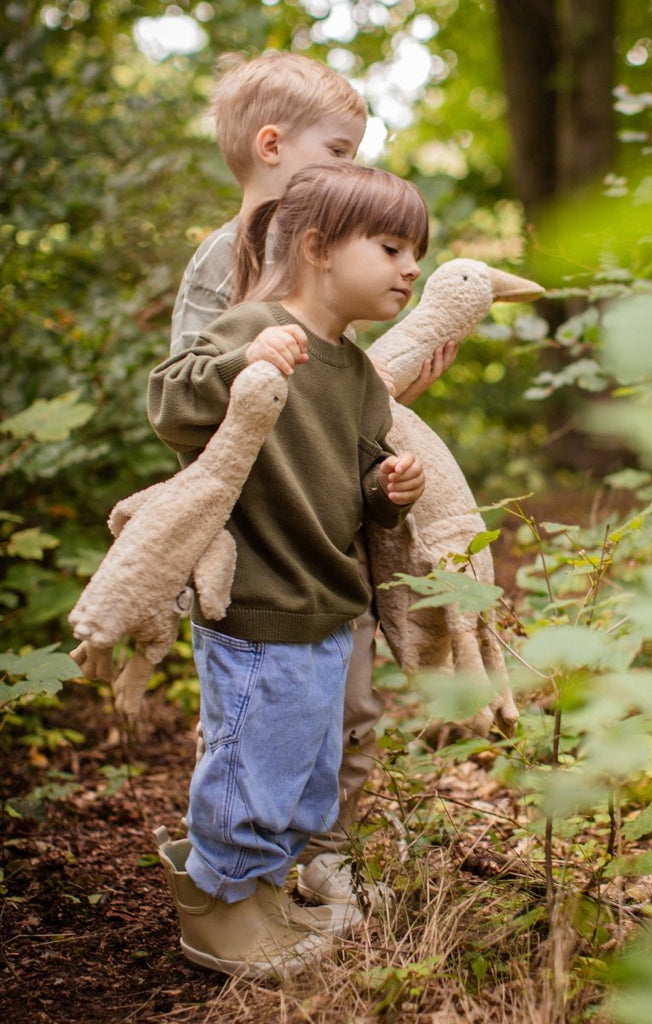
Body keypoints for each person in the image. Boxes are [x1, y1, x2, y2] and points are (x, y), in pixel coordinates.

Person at [169, 50, 459, 912]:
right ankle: (231, 873)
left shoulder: (345, 274)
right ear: (271, 146)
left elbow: (335, 402)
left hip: (333, 535)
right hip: (259, 539)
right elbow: (197, 393)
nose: (356, 169)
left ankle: (322, 846)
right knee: (260, 709)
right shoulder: (227, 262)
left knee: (346, 698)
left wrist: (389, 442)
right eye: (340, 152)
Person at [149, 161, 429, 977]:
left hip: (327, 603)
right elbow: (169, 403)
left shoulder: (359, 375)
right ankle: (217, 912)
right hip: (260, 599)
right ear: (316, 246)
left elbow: (363, 486)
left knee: (303, 766)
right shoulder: (253, 326)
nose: (410, 269)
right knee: (252, 766)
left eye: (417, 252)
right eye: (391, 247)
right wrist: (245, 364)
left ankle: (264, 891)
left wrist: (390, 488)